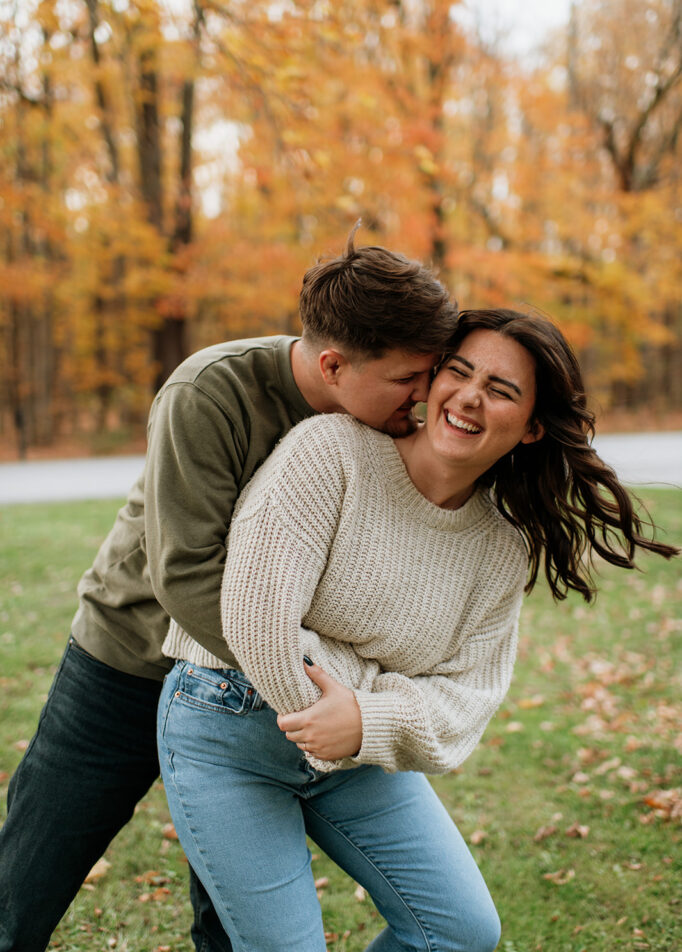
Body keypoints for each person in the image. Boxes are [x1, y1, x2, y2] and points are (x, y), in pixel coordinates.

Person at [157, 308, 678, 952]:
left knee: (460, 931)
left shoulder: (499, 546)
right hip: (228, 725)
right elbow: (255, 615)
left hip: (357, 752)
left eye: (501, 390)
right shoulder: (331, 452)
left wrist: (363, 722)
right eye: (459, 372)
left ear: (533, 428)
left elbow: (466, 698)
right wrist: (356, 704)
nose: (469, 397)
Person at [0, 227, 460, 952]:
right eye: (409, 379)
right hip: (129, 659)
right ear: (334, 364)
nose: (425, 396)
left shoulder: (382, 419)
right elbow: (186, 576)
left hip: (254, 696)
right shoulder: (209, 392)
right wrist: (316, 679)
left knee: (232, 916)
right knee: (31, 874)